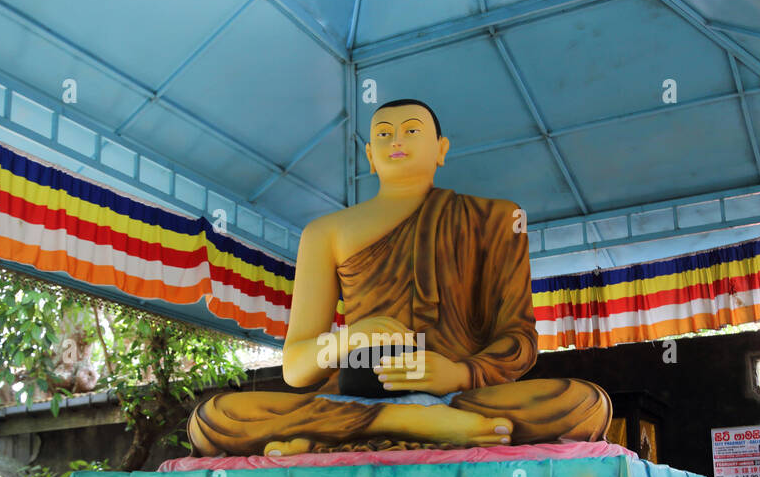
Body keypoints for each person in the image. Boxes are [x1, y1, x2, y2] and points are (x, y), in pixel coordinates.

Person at [189, 99, 611, 456]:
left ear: (441, 149)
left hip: (460, 396)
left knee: (583, 403)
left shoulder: (496, 218)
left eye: (411, 131)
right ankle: (406, 421)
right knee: (213, 416)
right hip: (355, 390)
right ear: (370, 155)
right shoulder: (325, 233)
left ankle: (336, 435)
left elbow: (518, 340)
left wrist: (458, 374)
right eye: (385, 134)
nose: (396, 141)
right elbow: (297, 369)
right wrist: (348, 340)